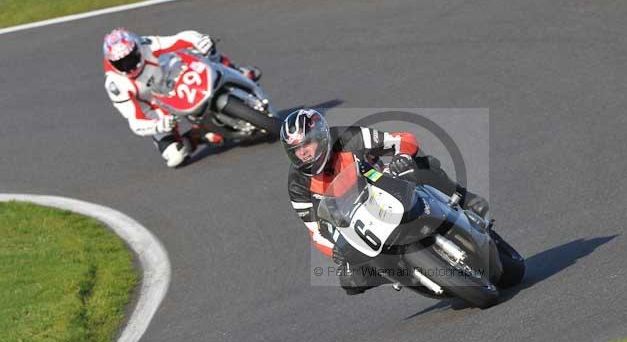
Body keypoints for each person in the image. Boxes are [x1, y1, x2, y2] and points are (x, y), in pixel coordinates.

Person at [282, 108, 489, 295]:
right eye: (296, 150)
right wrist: (334, 249)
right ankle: (397, 274)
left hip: (384, 187)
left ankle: (463, 197)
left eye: (307, 144)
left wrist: (402, 157)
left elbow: (403, 139)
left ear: (321, 136)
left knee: (421, 165)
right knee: (350, 280)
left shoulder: (348, 137)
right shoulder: (297, 185)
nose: (303, 153)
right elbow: (315, 231)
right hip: (358, 226)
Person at [102, 27, 262, 167]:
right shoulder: (116, 85)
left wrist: (199, 40)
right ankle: (198, 135)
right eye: (121, 63)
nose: (128, 66)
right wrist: (158, 125)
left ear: (137, 49)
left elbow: (180, 39)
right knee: (175, 157)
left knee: (205, 52)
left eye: (130, 58)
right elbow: (135, 122)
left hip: (172, 77)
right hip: (156, 107)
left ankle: (236, 71)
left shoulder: (146, 46)